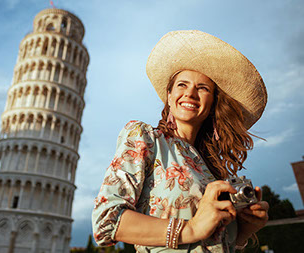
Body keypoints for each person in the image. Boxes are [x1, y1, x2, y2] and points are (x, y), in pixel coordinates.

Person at [91, 30, 269, 252]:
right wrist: (191, 229)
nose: (190, 94)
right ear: (169, 94)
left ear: (213, 103)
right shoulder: (145, 138)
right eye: (182, 85)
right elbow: (106, 222)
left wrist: (244, 230)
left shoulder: (213, 171)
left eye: (202, 88)